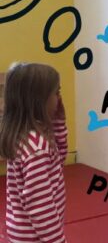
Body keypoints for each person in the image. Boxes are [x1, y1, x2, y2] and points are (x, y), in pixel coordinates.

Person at [0, 62, 68, 242]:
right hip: (36, 236)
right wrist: (57, 240)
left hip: (25, 232)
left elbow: (59, 160)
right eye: (56, 93)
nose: (59, 99)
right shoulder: (36, 148)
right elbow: (40, 206)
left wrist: (58, 121)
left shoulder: (27, 135)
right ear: (40, 100)